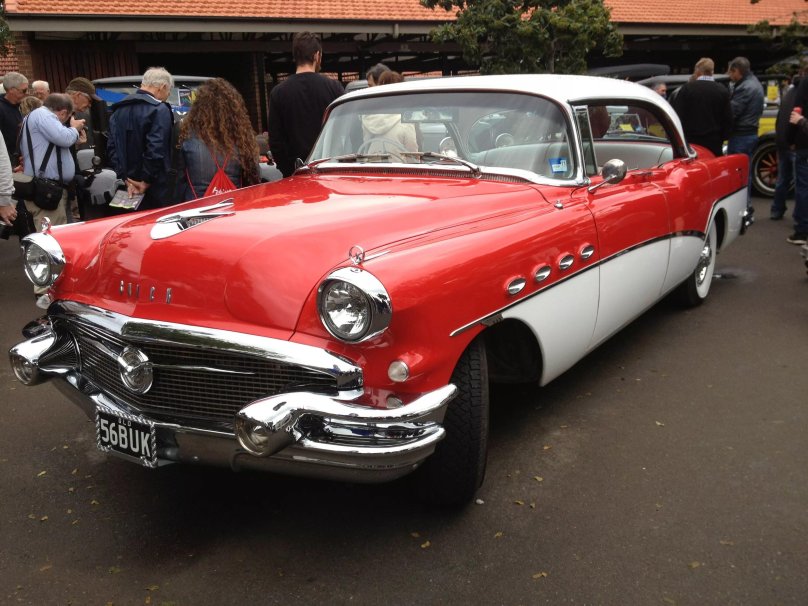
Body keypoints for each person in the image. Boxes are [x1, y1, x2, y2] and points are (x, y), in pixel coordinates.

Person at [19, 93, 84, 306]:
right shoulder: (44, 116)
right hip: (48, 188)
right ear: (63, 112)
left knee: (52, 236)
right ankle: (47, 290)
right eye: (66, 118)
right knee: (50, 240)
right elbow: (64, 138)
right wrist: (73, 129)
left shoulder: (35, 117)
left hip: (49, 187)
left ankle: (51, 287)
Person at [268, 31, 343, 177]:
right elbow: (346, 131)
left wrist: (289, 170)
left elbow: (276, 142)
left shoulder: (278, 93)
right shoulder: (334, 88)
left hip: (294, 175)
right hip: (329, 172)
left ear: (295, 56)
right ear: (317, 55)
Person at [176, 78, 261, 201]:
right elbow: (255, 176)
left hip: (195, 209)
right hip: (234, 206)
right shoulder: (242, 138)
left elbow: (178, 179)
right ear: (233, 108)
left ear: (198, 107)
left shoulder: (187, 136)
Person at [106, 67, 175, 209]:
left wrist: (126, 180)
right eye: (169, 92)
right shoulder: (159, 109)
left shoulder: (117, 110)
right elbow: (156, 149)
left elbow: (112, 148)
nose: (168, 95)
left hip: (128, 187)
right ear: (163, 87)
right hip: (156, 187)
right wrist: (146, 181)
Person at [670, 58, 731, 157]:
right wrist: (723, 137)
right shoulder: (722, 90)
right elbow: (727, 118)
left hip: (692, 141)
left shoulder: (687, 89)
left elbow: (678, 114)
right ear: (712, 72)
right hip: (714, 141)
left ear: (698, 71)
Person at [771, 58, 808, 221]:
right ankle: (800, 221)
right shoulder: (801, 91)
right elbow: (795, 117)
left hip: (785, 139)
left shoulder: (790, 91)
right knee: (801, 184)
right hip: (796, 141)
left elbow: (782, 116)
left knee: (784, 178)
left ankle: (777, 210)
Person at [727, 56, 765, 211]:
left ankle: (742, 207)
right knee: (745, 172)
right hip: (750, 132)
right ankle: (746, 205)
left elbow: (733, 111)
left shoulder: (744, 88)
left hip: (741, 135)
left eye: (731, 72)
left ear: (737, 71)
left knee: (738, 174)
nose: (730, 75)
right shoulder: (755, 84)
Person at [360, 70, 417, 160]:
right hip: (397, 172)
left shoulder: (368, 119)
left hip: (371, 170)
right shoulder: (405, 121)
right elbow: (413, 157)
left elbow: (364, 147)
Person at [785, 77, 808, 244]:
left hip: (804, 143)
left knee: (803, 187)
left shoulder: (805, 83)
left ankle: (802, 230)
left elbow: (796, 112)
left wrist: (790, 139)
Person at [0, 72, 28, 161]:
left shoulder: (22, 106)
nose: (26, 93)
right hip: (8, 161)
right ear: (11, 90)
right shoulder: (1, 108)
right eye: (24, 90)